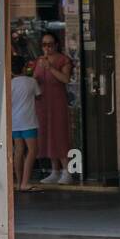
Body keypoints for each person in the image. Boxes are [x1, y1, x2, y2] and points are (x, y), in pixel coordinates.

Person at [34, 31, 74, 184]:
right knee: (47, 134)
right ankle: (54, 170)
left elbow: (65, 79)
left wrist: (50, 68)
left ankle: (67, 171)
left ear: (56, 45)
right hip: (42, 103)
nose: (47, 48)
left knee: (59, 134)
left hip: (57, 102)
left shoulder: (64, 60)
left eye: (50, 44)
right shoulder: (38, 61)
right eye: (44, 44)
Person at [11, 55, 40, 191]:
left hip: (14, 121)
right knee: (32, 150)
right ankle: (25, 182)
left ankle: (18, 182)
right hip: (28, 121)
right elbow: (39, 95)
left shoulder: (10, 83)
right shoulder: (31, 82)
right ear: (24, 67)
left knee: (18, 150)